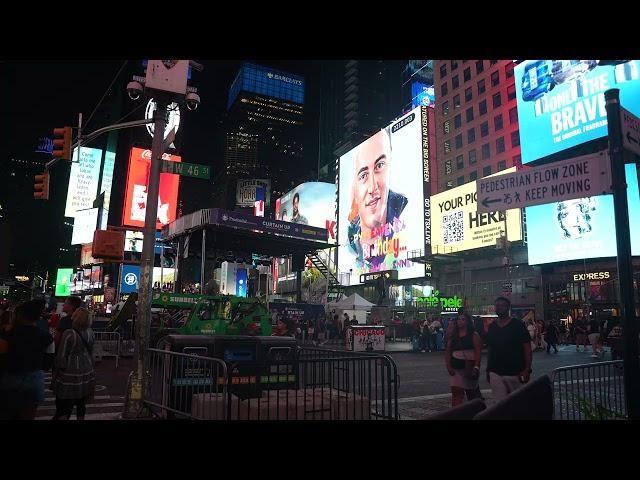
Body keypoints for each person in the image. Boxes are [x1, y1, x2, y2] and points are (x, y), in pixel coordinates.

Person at [346, 128, 408, 269]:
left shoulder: (409, 221)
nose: (372, 187)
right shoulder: (347, 242)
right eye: (363, 175)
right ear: (354, 185)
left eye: (380, 166)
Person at [0, 301, 54, 420]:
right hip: (34, 379)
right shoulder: (47, 337)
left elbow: (2, 358)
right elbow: (48, 362)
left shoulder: (7, 334)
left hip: (9, 378)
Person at [485, 297, 533, 401]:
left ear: (508, 308)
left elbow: (527, 348)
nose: (499, 308)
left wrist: (527, 369)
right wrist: (488, 370)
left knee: (517, 403)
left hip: (515, 372)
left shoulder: (518, 325)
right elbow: (491, 349)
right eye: (497, 306)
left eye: (502, 305)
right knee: (500, 404)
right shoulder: (492, 326)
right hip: (495, 371)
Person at [52, 307, 95, 420]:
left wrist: (57, 372)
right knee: (81, 402)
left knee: (65, 405)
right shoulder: (90, 332)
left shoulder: (69, 333)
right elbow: (92, 352)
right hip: (86, 370)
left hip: (70, 372)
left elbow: (61, 356)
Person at [445, 312, 482, 407]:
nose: (460, 321)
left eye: (463, 319)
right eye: (458, 319)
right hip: (456, 367)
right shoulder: (453, 336)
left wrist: (477, 366)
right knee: (456, 392)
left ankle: (473, 412)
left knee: (471, 393)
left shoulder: (474, 335)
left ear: (468, 322)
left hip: (469, 367)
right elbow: (448, 352)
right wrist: (448, 366)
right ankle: (456, 413)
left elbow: (478, 352)